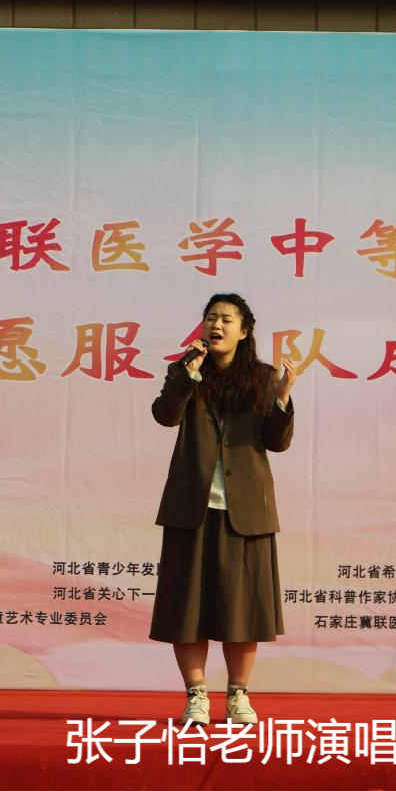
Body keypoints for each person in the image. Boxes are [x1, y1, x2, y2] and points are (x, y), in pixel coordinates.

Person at [149, 293, 297, 726]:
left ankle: (238, 696)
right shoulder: (185, 371)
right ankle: (196, 695)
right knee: (186, 609)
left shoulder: (264, 378)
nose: (216, 325)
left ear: (244, 331)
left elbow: (276, 442)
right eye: (210, 318)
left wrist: (283, 398)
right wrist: (188, 374)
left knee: (243, 609)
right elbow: (165, 415)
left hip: (245, 511)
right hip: (191, 507)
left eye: (226, 319)